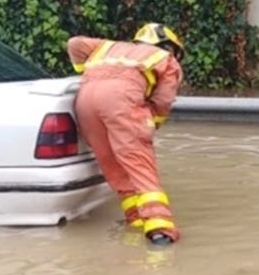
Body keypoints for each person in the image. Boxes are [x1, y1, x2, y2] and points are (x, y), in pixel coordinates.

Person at [67, 23, 187, 245]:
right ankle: (160, 229)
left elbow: (73, 44)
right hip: (121, 101)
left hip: (84, 102)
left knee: (111, 163)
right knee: (139, 163)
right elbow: (163, 100)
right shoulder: (165, 59)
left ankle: (136, 219)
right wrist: (151, 123)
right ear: (169, 47)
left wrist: (86, 70)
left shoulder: (108, 47)